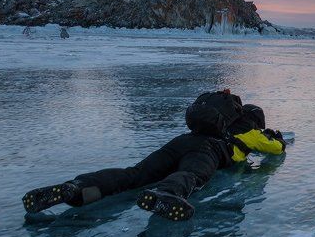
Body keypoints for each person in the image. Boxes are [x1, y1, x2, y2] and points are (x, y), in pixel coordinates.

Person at [22, 89, 286, 221]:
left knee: (134, 174)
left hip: (181, 142)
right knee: (193, 175)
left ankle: (77, 188)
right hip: (209, 150)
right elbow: (274, 149)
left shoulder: (216, 119)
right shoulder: (248, 130)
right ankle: (168, 194)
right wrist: (277, 140)